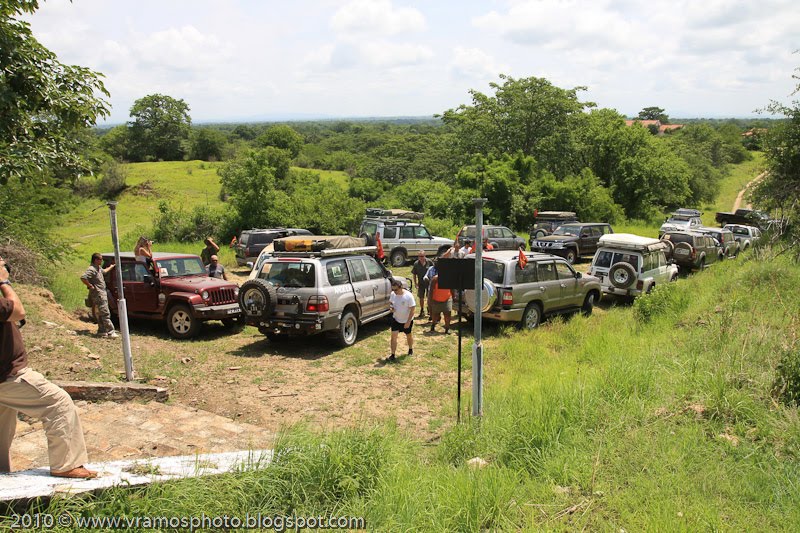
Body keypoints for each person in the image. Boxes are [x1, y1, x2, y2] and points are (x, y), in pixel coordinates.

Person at [0, 257, 97, 479]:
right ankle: (66, 465)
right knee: (58, 403)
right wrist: (4, 283)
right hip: (9, 376)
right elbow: (18, 312)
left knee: (1, 433)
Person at [80, 253, 118, 338]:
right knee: (105, 313)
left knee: (101, 313)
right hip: (98, 294)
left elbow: (104, 271)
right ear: (96, 260)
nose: (102, 261)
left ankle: (102, 331)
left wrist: (112, 266)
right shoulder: (92, 269)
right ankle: (111, 331)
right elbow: (83, 277)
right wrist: (90, 286)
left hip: (101, 292)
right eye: (100, 259)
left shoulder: (98, 268)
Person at [387, 278, 415, 362]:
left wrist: (408, 322)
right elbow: (391, 303)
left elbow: (413, 310)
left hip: (406, 320)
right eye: (393, 289)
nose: (394, 291)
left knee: (408, 335)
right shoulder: (393, 294)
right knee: (393, 336)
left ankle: (410, 349)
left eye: (396, 289)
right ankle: (392, 354)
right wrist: (391, 308)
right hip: (396, 319)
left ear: (401, 287)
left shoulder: (408, 296)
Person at [428, 270, 453, 334]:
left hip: (447, 299)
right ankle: (433, 325)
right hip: (436, 300)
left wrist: (453, 296)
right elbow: (431, 291)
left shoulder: (449, 279)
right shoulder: (435, 279)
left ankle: (447, 329)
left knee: (448, 314)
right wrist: (430, 301)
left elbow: (452, 288)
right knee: (435, 315)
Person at [410, 251, 433, 318]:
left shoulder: (429, 262)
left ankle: (429, 309)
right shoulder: (416, 264)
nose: (421, 258)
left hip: (429, 283)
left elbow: (433, 270)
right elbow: (414, 274)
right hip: (421, 283)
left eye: (422, 256)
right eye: (420, 256)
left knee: (429, 297)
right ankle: (422, 310)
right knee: (421, 297)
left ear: (425, 256)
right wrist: (415, 283)